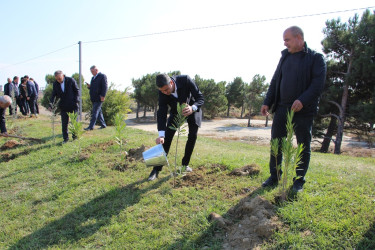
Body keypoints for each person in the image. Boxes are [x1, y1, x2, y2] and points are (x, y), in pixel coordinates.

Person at [260, 26, 326, 192]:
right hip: (282, 108)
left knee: (303, 145)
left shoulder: (315, 58)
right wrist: (267, 101)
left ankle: (298, 181)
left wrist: (302, 100)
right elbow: (275, 81)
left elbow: (317, 84)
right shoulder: (284, 58)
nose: (284, 43)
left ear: (298, 38)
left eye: (287, 39)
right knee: (276, 143)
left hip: (304, 111)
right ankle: (275, 176)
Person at [147, 73, 204, 181]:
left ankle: (184, 165)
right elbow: (162, 113)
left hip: (192, 108)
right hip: (176, 111)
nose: (165, 93)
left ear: (172, 83)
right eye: (162, 91)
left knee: (192, 136)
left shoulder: (185, 80)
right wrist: (161, 135)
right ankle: (155, 170)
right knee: (166, 138)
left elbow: (200, 97)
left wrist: (193, 108)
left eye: (166, 89)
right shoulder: (162, 92)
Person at [50, 70, 79, 143]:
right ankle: (65, 139)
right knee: (64, 123)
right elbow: (53, 94)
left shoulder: (71, 80)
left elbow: (77, 91)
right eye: (57, 79)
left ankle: (75, 137)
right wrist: (51, 104)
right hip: (63, 106)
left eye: (59, 78)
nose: (58, 80)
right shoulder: (55, 84)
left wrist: (76, 101)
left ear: (63, 76)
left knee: (74, 122)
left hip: (73, 105)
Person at [84, 65, 108, 131]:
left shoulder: (102, 76)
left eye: (92, 71)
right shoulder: (93, 78)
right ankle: (103, 125)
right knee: (99, 112)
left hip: (99, 97)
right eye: (91, 71)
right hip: (93, 97)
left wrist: (103, 96)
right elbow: (94, 88)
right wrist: (89, 87)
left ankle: (91, 126)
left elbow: (105, 87)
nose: (91, 72)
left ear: (96, 70)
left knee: (95, 112)